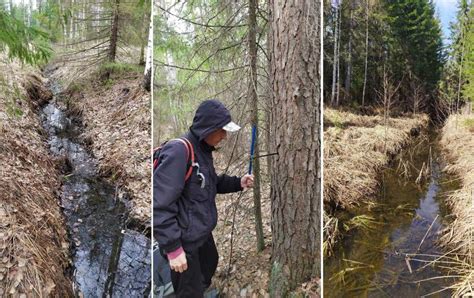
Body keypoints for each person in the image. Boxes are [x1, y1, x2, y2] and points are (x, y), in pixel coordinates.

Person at [154, 99, 254, 297]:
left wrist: (238, 183)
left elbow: (210, 183)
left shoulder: (203, 151)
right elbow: (160, 205)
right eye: (222, 130)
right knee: (189, 291)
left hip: (201, 234)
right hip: (183, 242)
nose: (224, 136)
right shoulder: (179, 151)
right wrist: (173, 249)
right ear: (208, 128)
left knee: (209, 265)